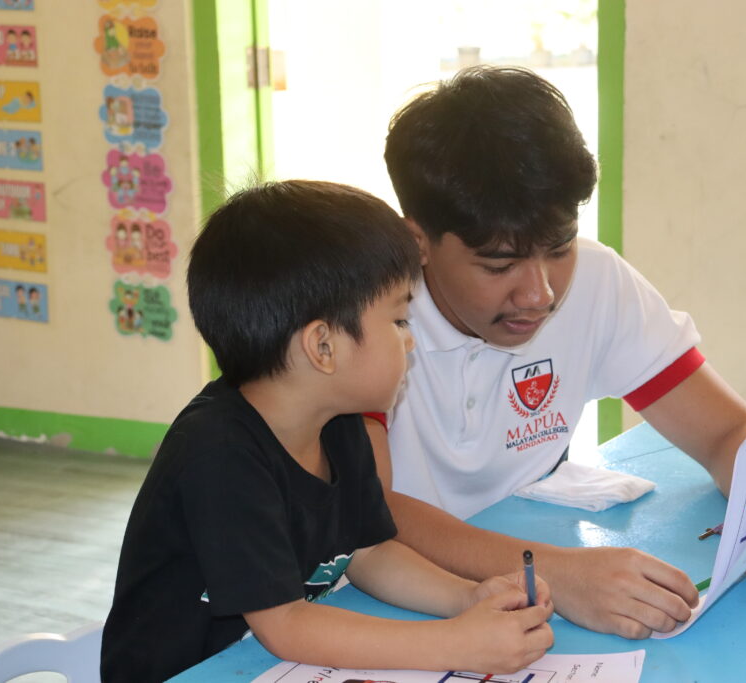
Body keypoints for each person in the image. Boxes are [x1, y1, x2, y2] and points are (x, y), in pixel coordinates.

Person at [368, 66, 746, 639]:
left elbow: (723, 433)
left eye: (559, 248)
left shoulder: (597, 281)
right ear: (418, 242)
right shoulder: (364, 316)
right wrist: (552, 573)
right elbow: (374, 508)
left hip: (518, 591)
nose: (538, 293)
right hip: (383, 599)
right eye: (499, 265)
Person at [101, 180, 554, 682]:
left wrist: (466, 597)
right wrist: (454, 645)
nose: (409, 344)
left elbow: (368, 552)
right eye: (399, 320)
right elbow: (286, 625)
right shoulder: (219, 453)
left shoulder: (338, 423)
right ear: (322, 346)